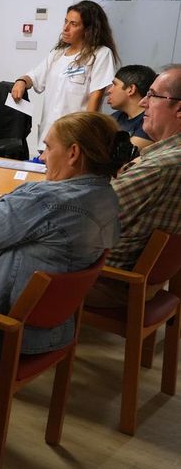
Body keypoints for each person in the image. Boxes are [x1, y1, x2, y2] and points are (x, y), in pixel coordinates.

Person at [0, 112, 125, 356]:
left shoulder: (43, 200)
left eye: (48, 148)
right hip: (53, 330)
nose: (42, 157)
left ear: (73, 153)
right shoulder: (107, 197)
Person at [86, 65, 181, 307]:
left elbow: (87, 218)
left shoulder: (159, 167)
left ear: (179, 109)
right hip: (151, 279)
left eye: (153, 96)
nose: (143, 103)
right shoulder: (165, 159)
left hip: (109, 280)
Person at [11, 0, 120, 152]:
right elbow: (34, 77)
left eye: (73, 24)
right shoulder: (57, 54)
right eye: (65, 21)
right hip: (48, 137)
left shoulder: (100, 54)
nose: (65, 28)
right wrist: (21, 81)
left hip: (76, 139)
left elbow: (95, 98)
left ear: (88, 29)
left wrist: (85, 137)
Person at [107, 64, 157, 151]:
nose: (109, 90)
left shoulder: (150, 122)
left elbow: (123, 154)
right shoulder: (116, 117)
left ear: (131, 89)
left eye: (114, 84)